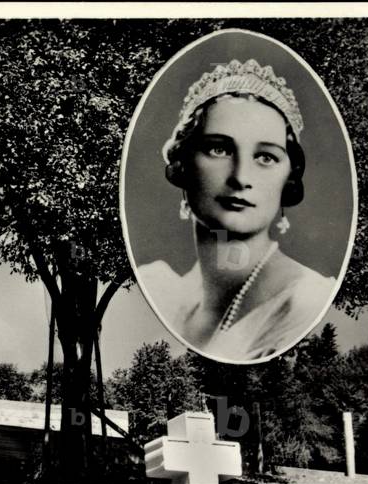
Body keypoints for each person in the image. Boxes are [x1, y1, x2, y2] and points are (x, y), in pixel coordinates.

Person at [138, 59, 335, 361]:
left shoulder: (306, 301)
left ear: (288, 177)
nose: (241, 178)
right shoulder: (162, 291)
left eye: (266, 157)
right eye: (219, 149)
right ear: (184, 163)